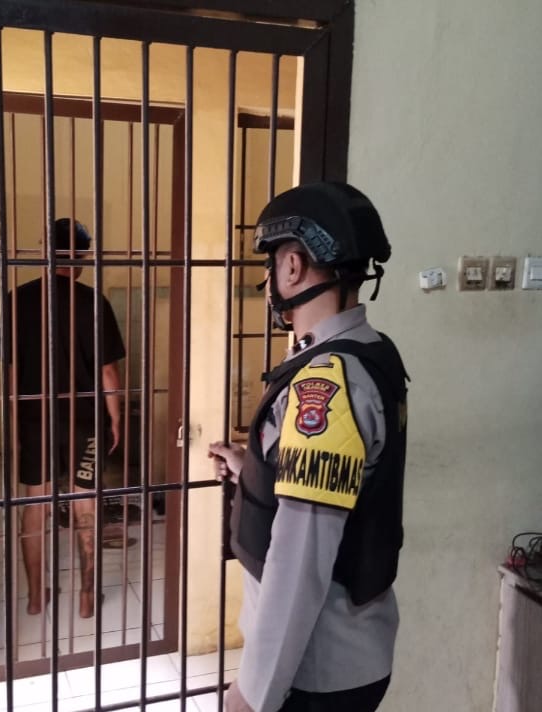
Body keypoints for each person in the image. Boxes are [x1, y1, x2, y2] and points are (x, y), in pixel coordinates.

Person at [209, 182, 409, 712]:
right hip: (348, 654)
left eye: (272, 262)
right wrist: (252, 468)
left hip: (315, 672)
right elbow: (336, 486)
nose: (271, 278)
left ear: (293, 266)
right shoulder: (370, 351)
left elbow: (300, 564)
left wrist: (253, 693)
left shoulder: (328, 382)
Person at [0, 218, 125, 618]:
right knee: (86, 501)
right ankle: (87, 597)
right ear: (82, 256)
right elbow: (107, 371)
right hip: (85, 418)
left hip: (36, 419)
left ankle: (36, 596)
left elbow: (12, 372)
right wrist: (115, 418)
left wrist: (17, 421)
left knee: (36, 503)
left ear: (44, 250)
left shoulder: (17, 299)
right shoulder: (93, 302)